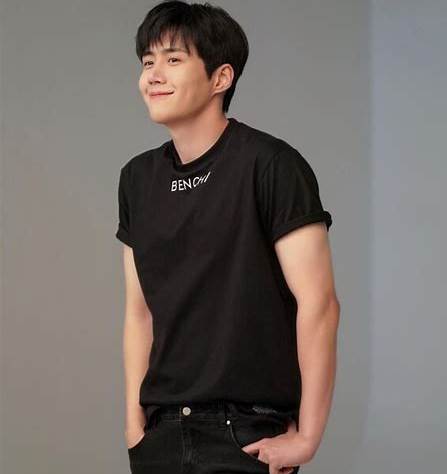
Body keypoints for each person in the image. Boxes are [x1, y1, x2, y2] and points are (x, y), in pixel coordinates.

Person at [115, 1, 340, 473]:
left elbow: (319, 304)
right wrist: (135, 427)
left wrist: (308, 437)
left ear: (221, 77)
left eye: (173, 59)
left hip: (246, 433)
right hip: (161, 435)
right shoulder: (137, 179)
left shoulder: (272, 165)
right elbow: (139, 312)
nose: (153, 75)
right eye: (147, 62)